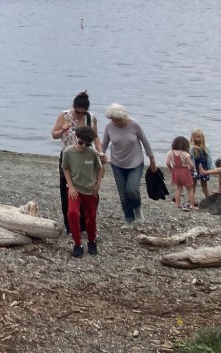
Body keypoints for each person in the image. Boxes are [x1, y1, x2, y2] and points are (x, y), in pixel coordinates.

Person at [51, 91, 103, 233]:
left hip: (86, 157)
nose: (80, 115)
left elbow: (95, 137)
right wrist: (62, 130)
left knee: (87, 188)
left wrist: (100, 152)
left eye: (82, 113)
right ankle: (70, 225)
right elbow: (54, 135)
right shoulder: (65, 115)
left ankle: (84, 223)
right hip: (68, 156)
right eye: (77, 112)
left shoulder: (91, 118)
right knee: (67, 189)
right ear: (73, 107)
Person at [101, 103, 156, 227]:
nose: (113, 121)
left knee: (132, 190)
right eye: (111, 119)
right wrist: (100, 158)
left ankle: (138, 210)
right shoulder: (109, 127)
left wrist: (152, 161)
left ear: (121, 117)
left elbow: (145, 142)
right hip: (117, 163)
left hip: (135, 162)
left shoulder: (134, 124)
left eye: (115, 119)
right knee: (123, 195)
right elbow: (103, 144)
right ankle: (129, 218)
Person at [61, 126, 103, 257]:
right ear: (75, 138)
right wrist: (70, 186)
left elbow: (99, 169)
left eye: (87, 144)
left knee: (91, 216)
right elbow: (66, 168)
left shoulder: (93, 152)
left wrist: (97, 185)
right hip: (75, 188)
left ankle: (91, 240)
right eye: (80, 142)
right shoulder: (68, 152)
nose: (83, 146)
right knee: (72, 213)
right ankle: (77, 243)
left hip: (90, 190)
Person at [165, 136, 195, 210]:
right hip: (184, 171)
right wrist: (192, 170)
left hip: (176, 171)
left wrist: (171, 169)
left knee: (178, 188)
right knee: (190, 189)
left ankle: (177, 204)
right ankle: (192, 205)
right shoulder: (185, 154)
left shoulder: (170, 152)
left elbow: (167, 162)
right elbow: (191, 165)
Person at [190, 128, 213, 205]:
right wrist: (193, 148)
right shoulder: (191, 147)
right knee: (193, 184)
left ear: (202, 137)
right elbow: (189, 156)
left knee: (204, 184)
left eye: (199, 137)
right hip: (194, 168)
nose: (198, 139)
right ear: (193, 137)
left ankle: (208, 199)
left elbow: (209, 158)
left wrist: (210, 168)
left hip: (203, 168)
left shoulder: (206, 147)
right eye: (196, 137)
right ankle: (192, 200)